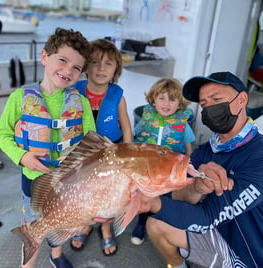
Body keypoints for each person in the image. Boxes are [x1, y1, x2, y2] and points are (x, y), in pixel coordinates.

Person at [138, 71, 263, 268]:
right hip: (218, 234)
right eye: (204, 105)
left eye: (216, 99)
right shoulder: (204, 151)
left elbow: (208, 217)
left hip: (249, 256)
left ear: (242, 100)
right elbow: (179, 198)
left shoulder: (259, 154)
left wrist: (151, 203)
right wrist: (196, 186)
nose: (209, 108)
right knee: (155, 225)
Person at [0, 27, 95, 268]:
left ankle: (56, 255)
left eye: (76, 68)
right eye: (62, 60)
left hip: (69, 179)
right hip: (33, 178)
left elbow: (93, 142)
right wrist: (22, 157)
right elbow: (1, 133)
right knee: (33, 224)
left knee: (60, 219)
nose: (68, 71)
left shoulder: (81, 103)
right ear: (44, 57)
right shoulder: (19, 98)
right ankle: (27, 264)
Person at [70, 38, 133, 256]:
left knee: (110, 194)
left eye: (108, 64)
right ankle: (86, 223)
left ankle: (106, 226)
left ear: (116, 69)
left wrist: (125, 157)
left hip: (111, 152)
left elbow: (127, 129)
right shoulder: (73, 93)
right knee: (85, 192)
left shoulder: (118, 97)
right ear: (86, 66)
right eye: (95, 62)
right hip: (82, 154)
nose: (101, 68)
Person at [131, 78, 196, 246]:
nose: (166, 103)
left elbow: (189, 148)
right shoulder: (145, 120)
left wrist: (189, 164)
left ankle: (163, 225)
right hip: (147, 170)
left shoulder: (183, 125)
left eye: (172, 99)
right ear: (153, 100)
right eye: (162, 98)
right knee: (145, 196)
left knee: (166, 199)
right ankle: (141, 223)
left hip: (169, 172)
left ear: (179, 104)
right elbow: (135, 140)